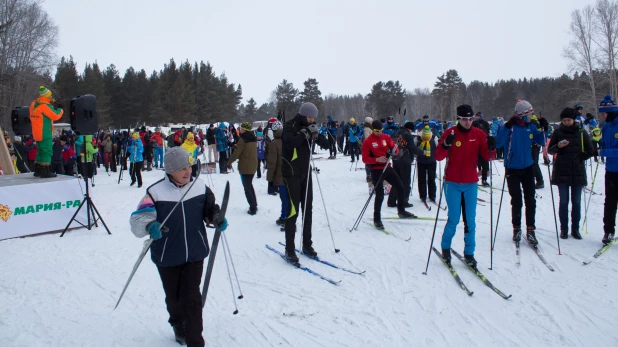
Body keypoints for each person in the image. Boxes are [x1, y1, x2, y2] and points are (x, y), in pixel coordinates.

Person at [129, 146, 226, 347]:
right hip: (167, 253)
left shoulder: (199, 187)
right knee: (173, 297)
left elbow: (210, 208)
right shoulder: (155, 192)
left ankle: (195, 341)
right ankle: (177, 324)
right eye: (182, 169)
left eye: (189, 167)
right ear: (169, 171)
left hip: (194, 251)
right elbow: (138, 219)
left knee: (191, 297)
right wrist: (150, 225)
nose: (187, 172)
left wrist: (216, 218)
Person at [435, 105, 490, 266]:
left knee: (470, 220)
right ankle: (445, 248)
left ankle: (469, 253)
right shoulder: (450, 133)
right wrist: (446, 144)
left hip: (470, 183)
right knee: (454, 218)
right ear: (458, 119)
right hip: (452, 182)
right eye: (464, 119)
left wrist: (492, 146)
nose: (468, 122)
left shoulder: (478, 134)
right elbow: (438, 156)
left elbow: (488, 156)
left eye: (470, 119)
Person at [281, 102, 330, 263]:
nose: (311, 120)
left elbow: (326, 144)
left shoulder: (311, 126)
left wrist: (318, 134)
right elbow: (289, 143)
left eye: (313, 118)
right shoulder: (289, 125)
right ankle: (289, 249)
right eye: (309, 118)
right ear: (302, 115)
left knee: (307, 210)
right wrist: (304, 134)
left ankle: (307, 245)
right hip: (291, 174)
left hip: (305, 173)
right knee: (293, 211)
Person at [496, 100, 546, 245]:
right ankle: (516, 228)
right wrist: (506, 126)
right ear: (521, 115)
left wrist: (544, 128)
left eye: (532, 113)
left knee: (530, 199)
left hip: (528, 167)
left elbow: (542, 141)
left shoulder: (531, 127)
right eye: (528, 114)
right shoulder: (510, 128)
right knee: (517, 200)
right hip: (512, 168)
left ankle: (531, 230)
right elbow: (498, 143)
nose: (531, 116)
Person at [547, 107, 595, 240]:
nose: (566, 122)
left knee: (577, 202)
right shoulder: (558, 132)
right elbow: (550, 150)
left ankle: (575, 229)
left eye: (568, 120)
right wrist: (558, 147)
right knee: (563, 202)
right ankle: (564, 229)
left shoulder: (581, 132)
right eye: (564, 120)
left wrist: (581, 156)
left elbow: (591, 149)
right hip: (562, 170)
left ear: (574, 120)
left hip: (577, 170)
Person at [362, 119, 416, 230]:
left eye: (380, 130)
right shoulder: (368, 141)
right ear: (373, 129)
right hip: (376, 170)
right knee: (380, 195)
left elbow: (394, 149)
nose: (379, 132)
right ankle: (377, 219)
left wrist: (394, 151)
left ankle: (401, 211)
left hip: (387, 168)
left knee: (401, 187)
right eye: (376, 130)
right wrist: (376, 159)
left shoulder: (386, 137)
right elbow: (365, 159)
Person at [29, 86, 63, 178]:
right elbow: (55, 115)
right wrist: (60, 109)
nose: (51, 98)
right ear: (47, 96)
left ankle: (38, 170)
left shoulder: (34, 104)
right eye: (50, 96)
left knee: (40, 151)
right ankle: (45, 171)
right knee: (47, 151)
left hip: (36, 132)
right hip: (45, 132)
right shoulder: (44, 106)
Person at [387, 122, 423, 208]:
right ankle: (404, 201)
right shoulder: (408, 136)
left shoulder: (397, 133)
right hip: (405, 161)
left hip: (396, 160)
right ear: (410, 129)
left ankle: (391, 201)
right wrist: (421, 152)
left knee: (396, 181)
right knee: (405, 182)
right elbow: (412, 147)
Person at [598, 95, 618, 245]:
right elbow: (604, 143)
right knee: (610, 202)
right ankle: (608, 231)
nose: (602, 116)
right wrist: (600, 144)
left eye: (603, 113)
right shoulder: (606, 126)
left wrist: (603, 152)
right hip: (611, 170)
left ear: (610, 112)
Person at [227, 122, 258, 215]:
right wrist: (234, 146)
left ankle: (252, 208)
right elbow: (245, 149)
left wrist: (229, 162)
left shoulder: (242, 139)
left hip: (245, 166)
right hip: (253, 165)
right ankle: (254, 204)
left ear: (245, 129)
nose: (240, 130)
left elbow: (237, 153)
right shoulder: (253, 138)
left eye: (241, 128)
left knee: (247, 187)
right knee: (249, 185)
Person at [267, 120, 285, 221]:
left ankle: (285, 218)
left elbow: (272, 163)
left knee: (284, 199)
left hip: (280, 175)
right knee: (287, 198)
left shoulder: (274, 144)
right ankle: (284, 216)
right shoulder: (287, 140)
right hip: (290, 175)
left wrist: (270, 179)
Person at [415, 125, 438, 203]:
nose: (426, 138)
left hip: (432, 161)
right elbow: (414, 148)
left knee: (432, 179)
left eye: (427, 137)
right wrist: (417, 154)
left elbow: (438, 147)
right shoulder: (418, 138)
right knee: (422, 179)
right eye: (424, 137)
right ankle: (423, 196)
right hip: (421, 161)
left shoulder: (434, 138)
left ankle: (432, 195)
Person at [473, 112, 491, 186]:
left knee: (485, 163)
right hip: (475, 146)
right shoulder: (473, 122)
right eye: (476, 116)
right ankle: (473, 178)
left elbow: (488, 132)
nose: (478, 117)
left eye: (479, 116)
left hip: (483, 146)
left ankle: (484, 179)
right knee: (475, 163)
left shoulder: (485, 123)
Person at [529, 114, 545, 189]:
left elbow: (538, 134)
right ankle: (535, 179)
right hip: (534, 145)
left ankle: (540, 181)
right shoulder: (535, 121)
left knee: (534, 163)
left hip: (534, 145)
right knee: (533, 163)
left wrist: (537, 142)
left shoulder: (533, 122)